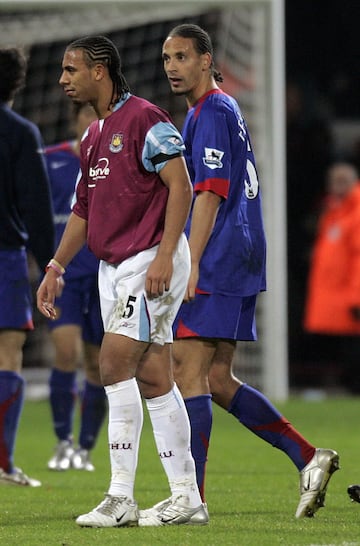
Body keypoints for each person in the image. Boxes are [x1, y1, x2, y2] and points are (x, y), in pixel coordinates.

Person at [150, 23, 339, 519]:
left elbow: (209, 191)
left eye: (183, 57)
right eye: (167, 58)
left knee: (186, 370)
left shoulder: (211, 111)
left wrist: (188, 261)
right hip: (239, 252)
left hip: (221, 254)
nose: (172, 66)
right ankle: (308, 457)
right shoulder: (213, 111)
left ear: (208, 60)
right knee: (213, 376)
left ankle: (193, 499)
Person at [37, 35, 206, 528]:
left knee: (111, 364)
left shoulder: (146, 119)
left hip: (148, 258)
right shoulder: (95, 136)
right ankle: (186, 498)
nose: (63, 80)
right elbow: (83, 211)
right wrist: (56, 267)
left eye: (71, 70)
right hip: (114, 267)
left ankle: (120, 498)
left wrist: (165, 256)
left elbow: (183, 184)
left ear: (100, 71)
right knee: (155, 377)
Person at [0, 47, 55, 486]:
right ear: (16, 83)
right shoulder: (19, 132)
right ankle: (3, 463)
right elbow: (37, 207)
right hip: (4, 256)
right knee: (8, 352)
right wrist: (54, 263)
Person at [45, 103, 107, 472]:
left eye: (98, 117)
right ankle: (62, 442)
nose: (91, 123)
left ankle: (85, 447)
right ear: (75, 120)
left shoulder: (113, 164)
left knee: (97, 367)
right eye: (86, 116)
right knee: (64, 352)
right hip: (65, 277)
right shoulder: (48, 160)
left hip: (102, 276)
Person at [303, 162, 360, 392]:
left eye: (343, 180)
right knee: (339, 345)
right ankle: (344, 386)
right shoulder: (334, 211)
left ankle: (353, 387)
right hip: (333, 294)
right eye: (334, 180)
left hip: (348, 295)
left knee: (352, 345)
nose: (337, 185)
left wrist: (356, 296)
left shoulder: (354, 213)